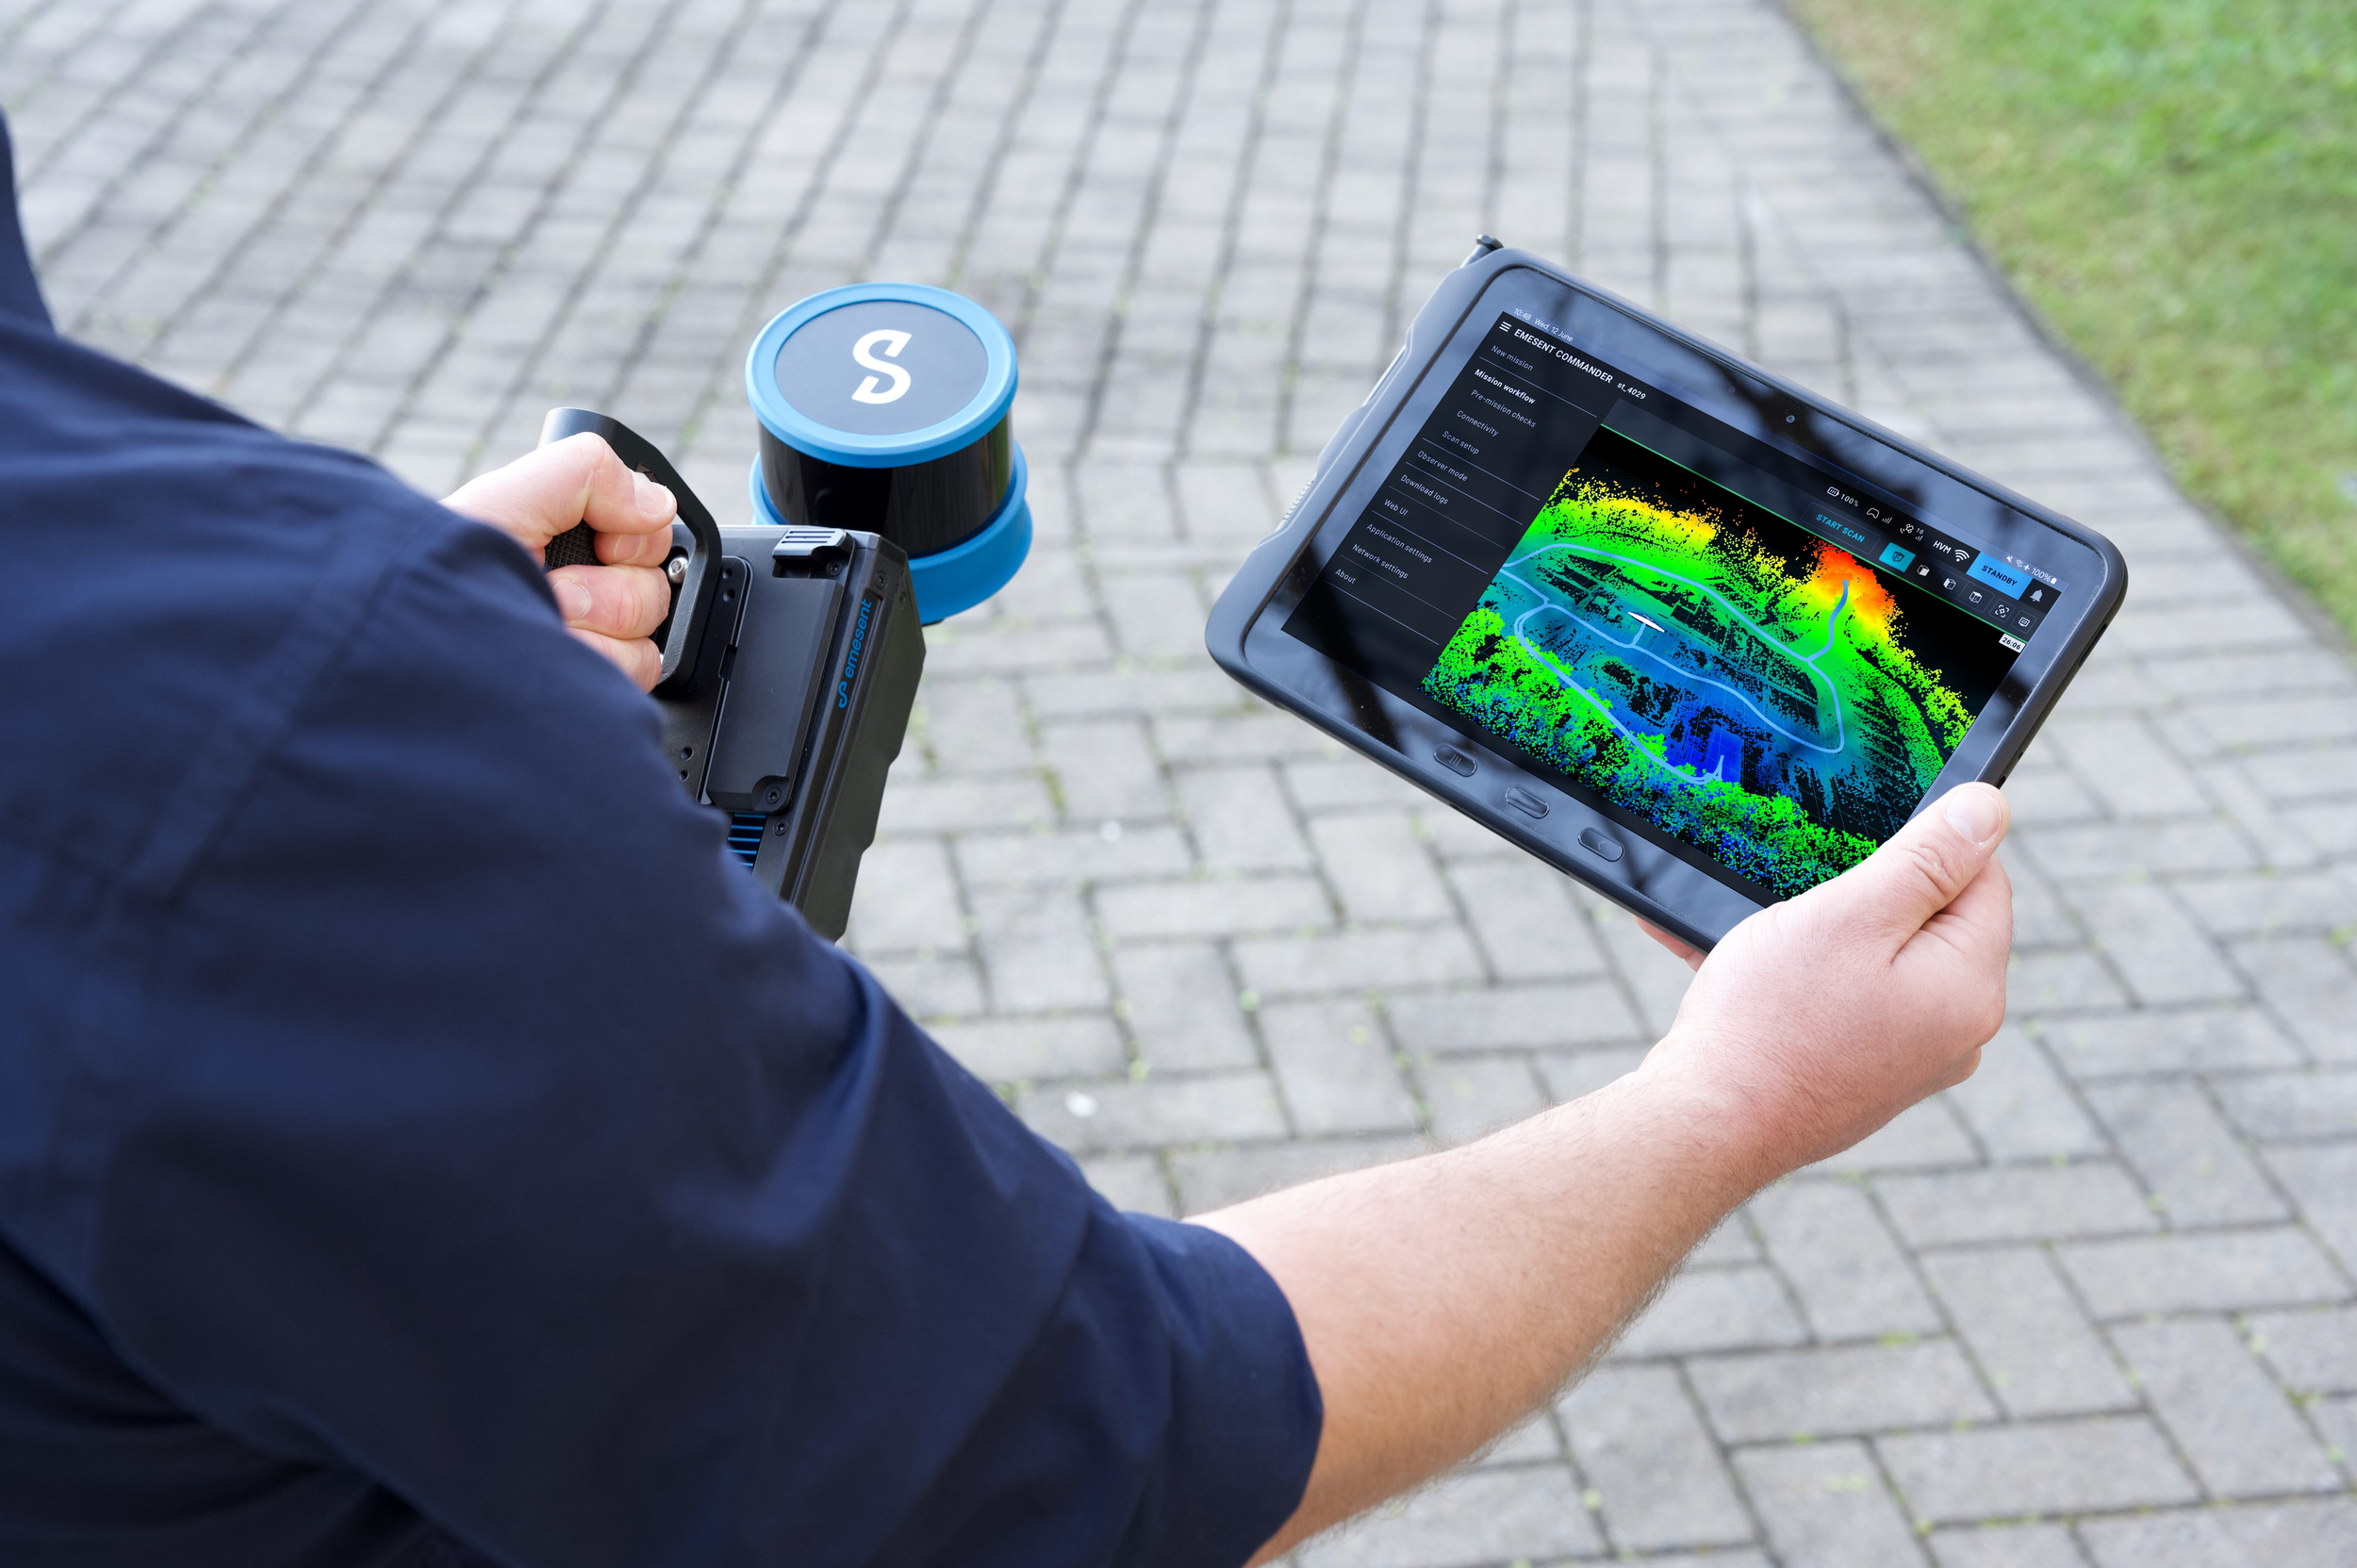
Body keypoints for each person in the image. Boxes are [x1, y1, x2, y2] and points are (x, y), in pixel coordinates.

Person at [0, 106, 2011, 1568]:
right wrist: (1732, 1100)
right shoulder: (267, 741)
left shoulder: (229, 686)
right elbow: (1111, 1446)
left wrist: (353, 664)